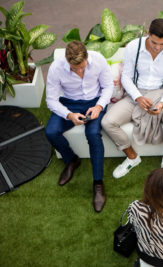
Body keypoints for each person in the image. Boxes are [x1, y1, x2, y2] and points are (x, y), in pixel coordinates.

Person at [102, 18, 163, 179]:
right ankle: (132, 157)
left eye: (162, 44)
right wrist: (138, 97)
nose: (158, 47)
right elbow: (126, 77)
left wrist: (162, 103)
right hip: (136, 92)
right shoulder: (134, 47)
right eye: (154, 42)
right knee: (107, 122)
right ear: (148, 33)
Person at [45, 41, 113, 212]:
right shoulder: (56, 67)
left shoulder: (98, 60)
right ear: (67, 61)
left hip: (94, 103)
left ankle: (98, 183)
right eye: (74, 69)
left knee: (93, 134)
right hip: (69, 104)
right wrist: (69, 115)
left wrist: (99, 106)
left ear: (87, 56)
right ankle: (72, 160)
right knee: (51, 132)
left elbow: (107, 86)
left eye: (82, 67)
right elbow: (51, 100)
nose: (79, 71)